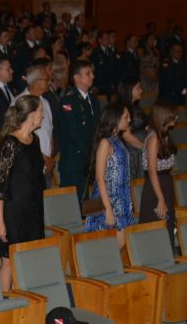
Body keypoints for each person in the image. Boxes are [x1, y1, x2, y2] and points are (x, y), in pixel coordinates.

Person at [0, 95, 47, 290]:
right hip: (12, 212)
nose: (43, 116)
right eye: (40, 112)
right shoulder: (10, 143)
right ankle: (4, 307)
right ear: (30, 114)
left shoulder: (34, 140)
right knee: (9, 261)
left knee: (28, 259)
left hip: (33, 209)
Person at [84, 104, 134, 247]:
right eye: (126, 117)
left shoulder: (117, 139)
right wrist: (108, 209)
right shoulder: (105, 142)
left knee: (119, 244)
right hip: (106, 200)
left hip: (120, 199)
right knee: (107, 248)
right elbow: (99, 178)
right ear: (116, 119)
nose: (129, 119)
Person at [58, 60, 100, 201]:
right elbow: (73, 132)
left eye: (92, 73)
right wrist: (91, 153)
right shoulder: (68, 101)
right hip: (74, 161)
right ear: (76, 78)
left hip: (90, 158)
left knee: (90, 202)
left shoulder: (93, 100)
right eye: (88, 73)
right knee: (74, 204)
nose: (92, 76)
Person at [139, 102, 178, 246]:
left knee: (167, 222)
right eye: (173, 115)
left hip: (165, 181)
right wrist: (160, 198)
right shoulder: (154, 138)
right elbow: (152, 171)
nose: (176, 117)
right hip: (155, 184)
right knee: (156, 221)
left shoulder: (164, 136)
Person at [116, 77, 148, 178]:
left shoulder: (136, 107)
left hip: (140, 152)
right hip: (134, 154)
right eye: (138, 88)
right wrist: (146, 148)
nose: (141, 90)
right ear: (129, 90)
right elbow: (126, 135)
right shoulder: (122, 109)